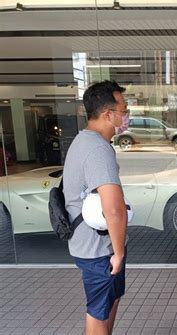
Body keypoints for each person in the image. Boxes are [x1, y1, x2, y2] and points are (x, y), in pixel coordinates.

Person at [63, 80, 130, 335]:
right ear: (107, 114)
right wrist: (119, 252)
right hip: (98, 248)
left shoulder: (84, 141)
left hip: (93, 244)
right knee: (98, 314)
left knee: (105, 306)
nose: (126, 116)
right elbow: (113, 208)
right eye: (123, 110)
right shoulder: (97, 149)